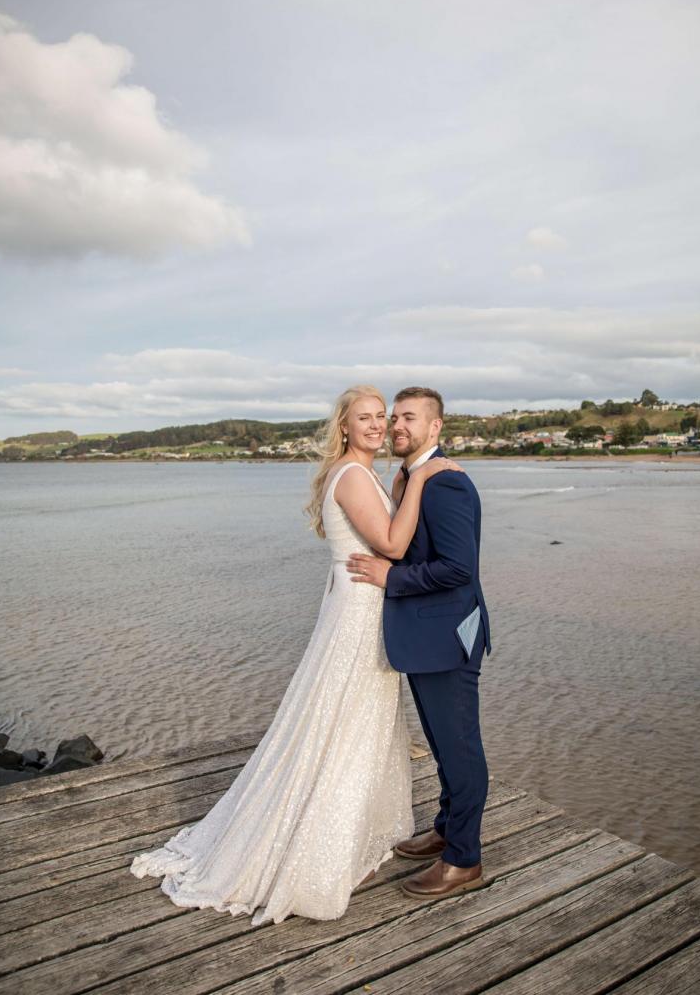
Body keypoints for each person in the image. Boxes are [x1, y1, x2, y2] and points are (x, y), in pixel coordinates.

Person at [129, 384, 460, 925]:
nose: (378, 425)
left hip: (360, 608)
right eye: (366, 418)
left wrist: (405, 479)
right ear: (344, 427)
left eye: (383, 417)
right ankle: (320, 846)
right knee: (344, 724)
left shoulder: (367, 473)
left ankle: (349, 836)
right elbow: (395, 548)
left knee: (352, 723)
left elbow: (383, 537)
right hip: (357, 615)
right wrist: (424, 474)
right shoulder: (353, 476)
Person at [347, 386, 491, 901]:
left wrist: (391, 577)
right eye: (396, 417)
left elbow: (458, 569)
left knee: (459, 749)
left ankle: (464, 860)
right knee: (439, 742)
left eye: (411, 418)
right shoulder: (410, 477)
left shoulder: (444, 483)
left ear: (435, 429)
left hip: (449, 634)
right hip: (427, 634)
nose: (398, 426)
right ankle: (447, 829)